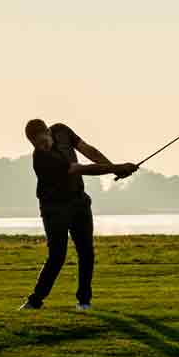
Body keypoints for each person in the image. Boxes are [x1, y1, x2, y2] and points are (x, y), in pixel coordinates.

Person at [20, 119, 135, 310]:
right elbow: (79, 169)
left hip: (78, 202)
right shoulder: (41, 159)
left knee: (86, 252)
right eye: (36, 145)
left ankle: (84, 301)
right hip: (53, 208)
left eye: (43, 142)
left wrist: (113, 167)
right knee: (57, 256)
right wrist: (116, 168)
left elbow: (88, 150)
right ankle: (35, 301)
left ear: (49, 132)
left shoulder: (62, 130)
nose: (42, 147)